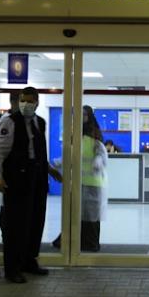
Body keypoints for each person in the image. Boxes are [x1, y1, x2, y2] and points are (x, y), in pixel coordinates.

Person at [0, 86, 62, 282]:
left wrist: (49, 169)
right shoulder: (9, 121)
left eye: (30, 101)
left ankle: (29, 261)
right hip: (16, 179)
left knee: (35, 221)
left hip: (37, 178)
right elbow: (0, 151)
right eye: (23, 100)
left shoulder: (40, 122)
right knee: (15, 225)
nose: (25, 104)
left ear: (37, 102)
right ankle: (12, 268)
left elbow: (38, 151)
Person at [52, 106, 107, 251]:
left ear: (89, 117)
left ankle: (90, 243)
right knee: (76, 213)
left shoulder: (94, 138)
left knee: (91, 216)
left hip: (93, 184)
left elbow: (101, 154)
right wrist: (57, 163)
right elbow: (70, 156)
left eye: (83, 115)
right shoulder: (74, 137)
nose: (80, 118)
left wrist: (98, 161)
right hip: (77, 183)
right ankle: (73, 241)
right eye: (78, 115)